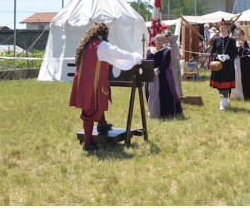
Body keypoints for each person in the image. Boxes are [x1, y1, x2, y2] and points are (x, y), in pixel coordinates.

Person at [70, 22, 143, 151]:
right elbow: (119, 53)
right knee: (92, 109)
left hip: (82, 82)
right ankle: (88, 143)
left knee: (93, 105)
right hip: (92, 84)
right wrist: (135, 57)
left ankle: (102, 124)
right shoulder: (101, 46)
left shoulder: (86, 44)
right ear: (104, 34)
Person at [145, 33, 184, 119]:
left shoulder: (167, 50)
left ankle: (162, 113)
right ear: (154, 41)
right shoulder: (149, 50)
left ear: (163, 41)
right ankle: (151, 111)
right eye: (158, 40)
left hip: (162, 76)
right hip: (150, 75)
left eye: (161, 40)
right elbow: (147, 61)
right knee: (150, 92)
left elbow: (166, 64)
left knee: (160, 93)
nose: (159, 42)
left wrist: (157, 70)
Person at [210, 19, 238, 111]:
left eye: (225, 28)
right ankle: (225, 100)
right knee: (219, 85)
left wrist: (227, 56)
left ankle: (222, 103)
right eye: (221, 28)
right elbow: (212, 52)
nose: (223, 29)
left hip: (228, 66)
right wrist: (217, 56)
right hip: (218, 65)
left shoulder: (231, 40)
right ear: (219, 28)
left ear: (227, 29)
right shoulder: (216, 39)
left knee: (225, 85)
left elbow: (235, 53)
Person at [235, 28, 250, 101]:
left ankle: (249, 95)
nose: (238, 37)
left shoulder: (247, 43)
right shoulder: (234, 43)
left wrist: (242, 46)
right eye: (237, 35)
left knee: (248, 79)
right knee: (239, 79)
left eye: (240, 35)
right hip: (237, 62)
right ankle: (240, 95)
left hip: (246, 62)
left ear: (243, 35)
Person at [165, 30, 183, 98]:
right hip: (175, 63)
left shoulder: (172, 45)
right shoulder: (174, 44)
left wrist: (168, 65)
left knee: (175, 79)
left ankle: (177, 94)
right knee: (174, 79)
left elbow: (172, 58)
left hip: (173, 64)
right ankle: (176, 93)